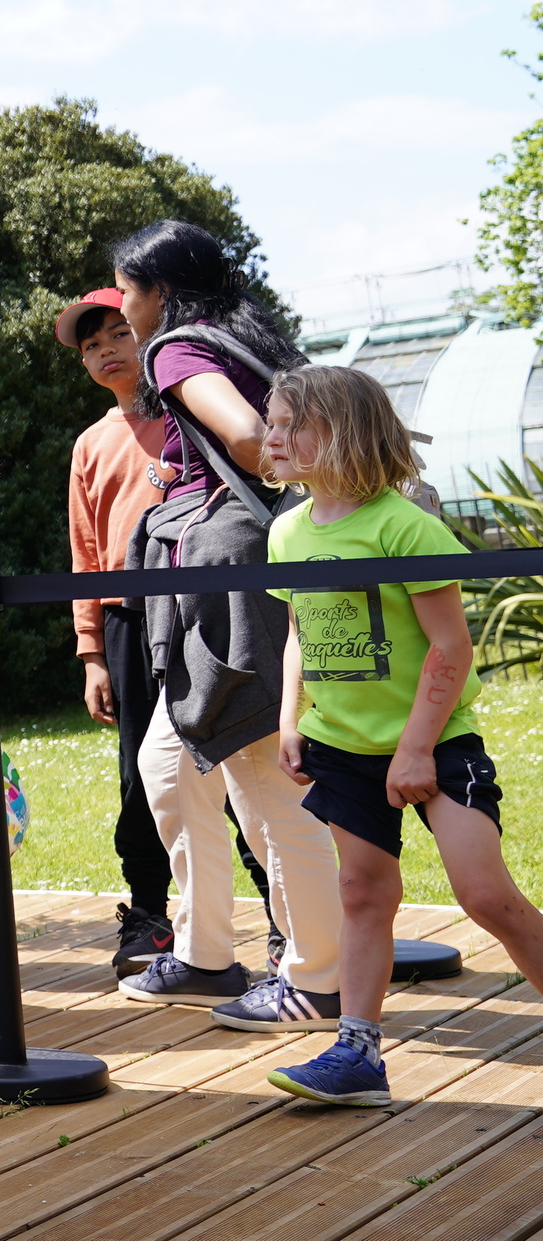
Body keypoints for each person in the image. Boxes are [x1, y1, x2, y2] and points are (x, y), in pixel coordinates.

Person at [261, 365, 543, 1105]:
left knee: (485, 895)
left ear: (347, 431)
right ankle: (358, 1053)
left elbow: (450, 646)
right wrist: (291, 720)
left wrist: (417, 747)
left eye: (295, 423)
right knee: (362, 892)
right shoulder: (285, 531)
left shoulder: (404, 524)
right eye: (273, 421)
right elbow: (298, 632)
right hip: (344, 748)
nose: (274, 436)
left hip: (436, 743)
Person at [109, 220, 343, 1024]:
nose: (124, 308)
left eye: (129, 290)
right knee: (170, 768)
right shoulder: (250, 342)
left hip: (227, 581)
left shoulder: (176, 349)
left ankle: (317, 979)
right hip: (239, 571)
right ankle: (207, 956)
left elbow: (247, 441)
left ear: (161, 293)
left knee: (263, 782)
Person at [58, 287, 276, 976]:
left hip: (203, 604)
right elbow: (83, 549)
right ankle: (150, 913)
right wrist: (91, 653)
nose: (105, 352)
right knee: (143, 771)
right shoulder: (91, 443)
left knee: (240, 744)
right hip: (128, 619)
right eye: (90, 347)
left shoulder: (191, 411)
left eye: (117, 334)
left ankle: (279, 910)